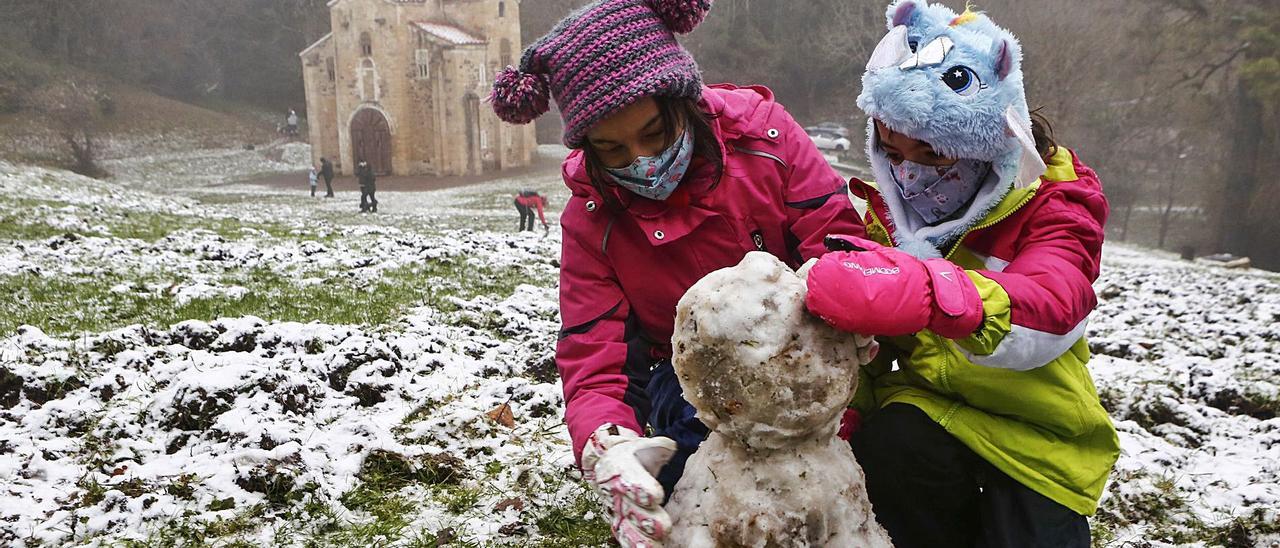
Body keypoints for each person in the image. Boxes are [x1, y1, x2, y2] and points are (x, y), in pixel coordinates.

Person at [489, 1, 870, 545]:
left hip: (807, 349)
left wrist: (847, 321)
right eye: (612, 148)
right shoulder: (592, 220)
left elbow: (837, 239)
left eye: (654, 132)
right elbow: (593, 352)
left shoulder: (766, 141)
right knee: (702, 461)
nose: (641, 159)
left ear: (682, 100)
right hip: (692, 380)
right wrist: (609, 444)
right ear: (587, 147)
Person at [802, 2, 1119, 547]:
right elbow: (868, 352)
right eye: (894, 152)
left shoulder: (1055, 204)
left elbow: (1054, 300)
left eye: (933, 153)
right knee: (890, 445)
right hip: (928, 408)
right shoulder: (887, 219)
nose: (912, 173)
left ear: (990, 140)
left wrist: (936, 292)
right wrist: (847, 413)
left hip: (1035, 430)